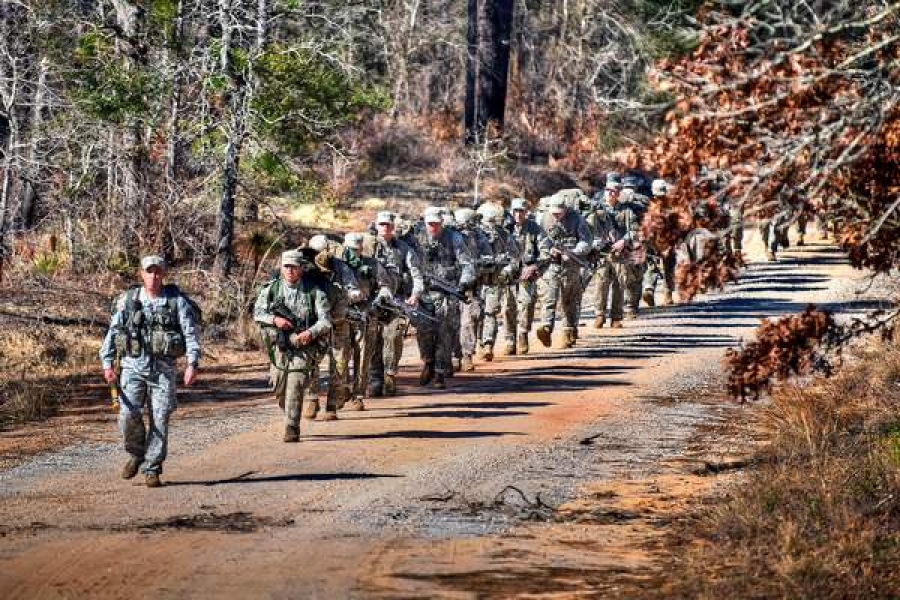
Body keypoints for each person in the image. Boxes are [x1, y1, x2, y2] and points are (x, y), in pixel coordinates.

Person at [100, 255, 201, 488]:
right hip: (132, 368)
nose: (153, 277)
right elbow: (113, 333)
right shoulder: (129, 300)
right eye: (149, 272)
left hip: (163, 371)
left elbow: (190, 335)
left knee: (160, 418)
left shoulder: (176, 301)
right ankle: (136, 453)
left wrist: (192, 364)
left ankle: (152, 468)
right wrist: (107, 364)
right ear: (141, 274)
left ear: (163, 274)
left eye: (157, 272)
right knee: (127, 415)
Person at [254, 250, 332, 442]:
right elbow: (258, 314)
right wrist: (275, 320)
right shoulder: (271, 290)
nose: (289, 270)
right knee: (279, 387)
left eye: (293, 267)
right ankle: (289, 411)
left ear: (301, 269)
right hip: (279, 346)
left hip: (304, 347)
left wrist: (309, 333)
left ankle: (292, 426)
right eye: (286, 266)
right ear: (281, 268)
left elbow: (326, 321)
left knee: (296, 384)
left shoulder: (314, 292)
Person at [415, 206, 475, 388]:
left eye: (436, 224)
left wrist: (464, 283)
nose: (433, 227)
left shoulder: (454, 238)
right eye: (429, 224)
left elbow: (467, 265)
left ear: (442, 223)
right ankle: (428, 362)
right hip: (424, 292)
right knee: (424, 331)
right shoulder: (416, 238)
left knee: (445, 332)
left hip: (447, 292)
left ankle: (440, 372)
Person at [368, 211, 425, 397]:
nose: (385, 228)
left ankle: (390, 374)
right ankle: (374, 377)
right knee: (372, 339)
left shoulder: (403, 248)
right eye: (382, 224)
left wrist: (415, 294)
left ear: (393, 227)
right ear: (376, 226)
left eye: (388, 225)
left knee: (393, 336)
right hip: (371, 302)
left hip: (395, 302)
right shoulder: (368, 246)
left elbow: (416, 274)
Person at [536, 196, 593, 348]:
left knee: (569, 299)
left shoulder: (577, 219)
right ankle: (546, 328)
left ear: (565, 210)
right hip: (552, 264)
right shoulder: (543, 219)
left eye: (559, 213)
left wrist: (573, 252)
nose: (556, 216)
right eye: (554, 213)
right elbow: (540, 239)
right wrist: (549, 249)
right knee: (550, 296)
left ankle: (569, 331)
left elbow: (586, 241)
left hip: (571, 265)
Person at [504, 197, 551, 354]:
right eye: (515, 211)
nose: (518, 214)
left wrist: (533, 267)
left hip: (527, 274)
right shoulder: (505, 229)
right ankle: (509, 340)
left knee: (526, 304)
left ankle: (523, 333)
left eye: (521, 211)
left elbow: (546, 252)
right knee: (507, 307)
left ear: (526, 212)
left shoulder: (535, 229)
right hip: (508, 274)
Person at [475, 202, 520, 361]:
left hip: (495, 281)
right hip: (476, 282)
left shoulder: (504, 235)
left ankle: (488, 344)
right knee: (475, 314)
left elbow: (515, 257)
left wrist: (507, 270)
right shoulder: (473, 236)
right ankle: (477, 343)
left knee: (490, 312)